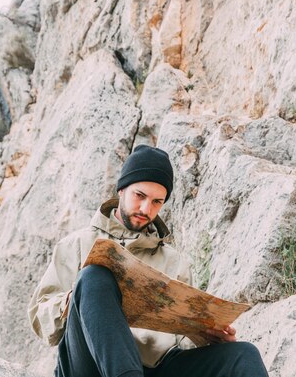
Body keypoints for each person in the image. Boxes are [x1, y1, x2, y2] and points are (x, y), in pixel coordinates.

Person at [28, 145, 269, 377]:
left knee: (242, 354)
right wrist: (76, 300)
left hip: (157, 367)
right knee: (94, 276)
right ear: (121, 190)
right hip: (89, 365)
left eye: (157, 202)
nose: (145, 208)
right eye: (139, 196)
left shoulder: (175, 262)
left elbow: (182, 341)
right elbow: (40, 320)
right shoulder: (76, 244)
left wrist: (210, 338)